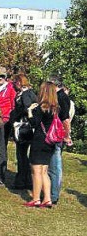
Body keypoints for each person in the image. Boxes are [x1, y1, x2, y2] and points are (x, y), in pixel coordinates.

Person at [24, 82, 60, 208]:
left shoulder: (41, 107)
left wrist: (29, 111)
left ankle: (36, 198)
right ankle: (47, 198)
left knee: (36, 171)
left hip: (39, 140)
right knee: (44, 171)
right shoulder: (55, 108)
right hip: (50, 142)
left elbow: (34, 123)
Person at [47, 75, 73, 205]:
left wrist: (67, 136)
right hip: (52, 134)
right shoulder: (56, 96)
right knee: (50, 164)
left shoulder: (62, 97)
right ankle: (49, 191)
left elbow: (65, 119)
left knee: (55, 165)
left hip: (56, 135)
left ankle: (54, 194)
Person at [9, 73, 37, 190]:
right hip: (30, 127)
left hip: (24, 127)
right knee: (26, 155)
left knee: (21, 155)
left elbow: (26, 108)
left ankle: (22, 180)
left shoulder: (24, 95)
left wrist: (15, 115)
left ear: (19, 83)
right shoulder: (32, 93)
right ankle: (28, 180)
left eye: (15, 83)